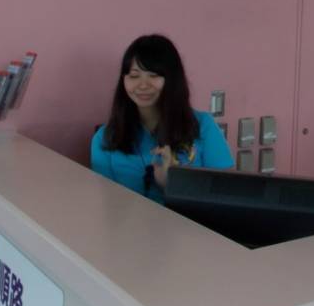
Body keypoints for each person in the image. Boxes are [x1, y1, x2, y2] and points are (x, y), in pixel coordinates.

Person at [91, 34, 234, 203]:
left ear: (172, 79)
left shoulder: (203, 126)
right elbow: (104, 207)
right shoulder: (105, 138)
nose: (143, 85)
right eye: (134, 76)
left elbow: (228, 198)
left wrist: (172, 186)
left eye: (153, 75)